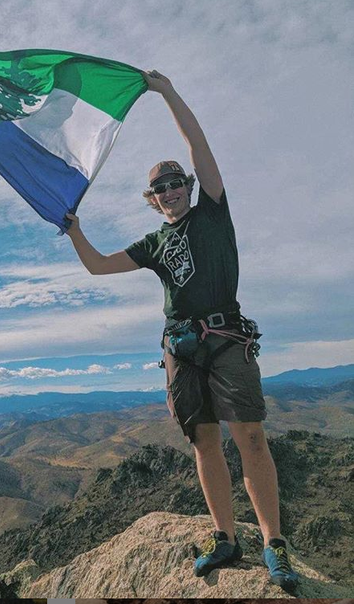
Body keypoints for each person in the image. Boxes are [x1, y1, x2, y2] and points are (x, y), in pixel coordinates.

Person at [64, 69, 299, 591]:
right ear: (152, 198)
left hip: (227, 338)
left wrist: (166, 92)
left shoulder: (213, 212)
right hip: (181, 348)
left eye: (176, 183)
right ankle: (224, 537)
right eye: (160, 188)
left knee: (252, 439)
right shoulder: (152, 242)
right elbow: (100, 267)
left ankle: (273, 543)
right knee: (205, 443)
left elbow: (198, 144)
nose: (169, 191)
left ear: (188, 187)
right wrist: (75, 231)